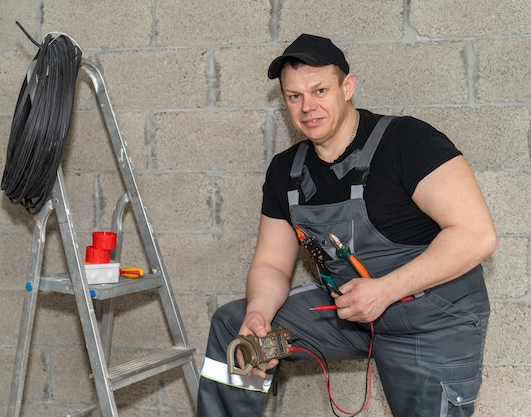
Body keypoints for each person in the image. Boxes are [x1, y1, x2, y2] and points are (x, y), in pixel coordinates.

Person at [197, 34, 497, 417]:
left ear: (347, 86)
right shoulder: (285, 172)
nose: (308, 107)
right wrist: (258, 313)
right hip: (350, 312)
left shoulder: (407, 141)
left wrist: (385, 290)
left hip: (434, 318)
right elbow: (272, 265)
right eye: (294, 96)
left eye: (319, 90)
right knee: (234, 328)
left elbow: (477, 235)